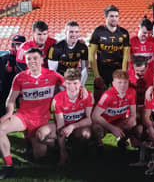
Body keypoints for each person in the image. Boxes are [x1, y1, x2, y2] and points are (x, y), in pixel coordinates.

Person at [0, 48, 64, 179]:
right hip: (24, 116)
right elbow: (11, 99)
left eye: (35, 58)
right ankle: (8, 165)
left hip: (42, 120)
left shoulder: (53, 75)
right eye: (29, 59)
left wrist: (82, 90)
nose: (32, 61)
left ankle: (50, 144)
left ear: (42, 59)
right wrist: (9, 112)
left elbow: (69, 84)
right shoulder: (20, 77)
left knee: (39, 156)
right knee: (0, 130)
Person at [36, 68, 93, 166]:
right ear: (65, 84)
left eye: (75, 83)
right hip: (63, 125)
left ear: (80, 83)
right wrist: (63, 152)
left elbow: (89, 120)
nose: (72, 87)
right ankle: (61, 148)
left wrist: (73, 126)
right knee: (41, 134)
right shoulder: (58, 99)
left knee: (86, 134)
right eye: (69, 83)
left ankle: (76, 147)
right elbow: (60, 126)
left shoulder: (87, 95)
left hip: (78, 126)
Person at [92, 69, 136, 150]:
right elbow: (95, 116)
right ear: (113, 83)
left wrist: (132, 119)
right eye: (119, 82)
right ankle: (97, 143)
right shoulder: (108, 96)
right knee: (97, 129)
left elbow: (133, 114)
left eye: (125, 82)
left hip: (118, 121)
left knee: (133, 123)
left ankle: (122, 140)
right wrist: (112, 128)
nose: (122, 85)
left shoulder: (132, 92)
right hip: (104, 122)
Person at [88, 5, 130, 88]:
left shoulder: (124, 33)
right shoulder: (98, 31)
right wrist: (97, 75)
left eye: (116, 16)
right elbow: (91, 54)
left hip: (118, 69)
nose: (114, 18)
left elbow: (126, 56)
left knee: (119, 97)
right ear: (106, 17)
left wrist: (124, 72)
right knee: (100, 97)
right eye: (111, 16)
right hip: (102, 69)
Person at [48, 21, 88, 85]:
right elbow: (52, 71)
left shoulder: (83, 47)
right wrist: (63, 83)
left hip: (74, 79)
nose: (74, 34)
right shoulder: (56, 48)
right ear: (65, 32)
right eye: (71, 32)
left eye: (76, 32)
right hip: (60, 80)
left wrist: (81, 85)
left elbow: (84, 69)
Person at [0, 35, 26, 117]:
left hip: (20, 89)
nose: (15, 47)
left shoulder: (28, 59)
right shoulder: (4, 58)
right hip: (5, 88)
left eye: (18, 45)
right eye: (14, 44)